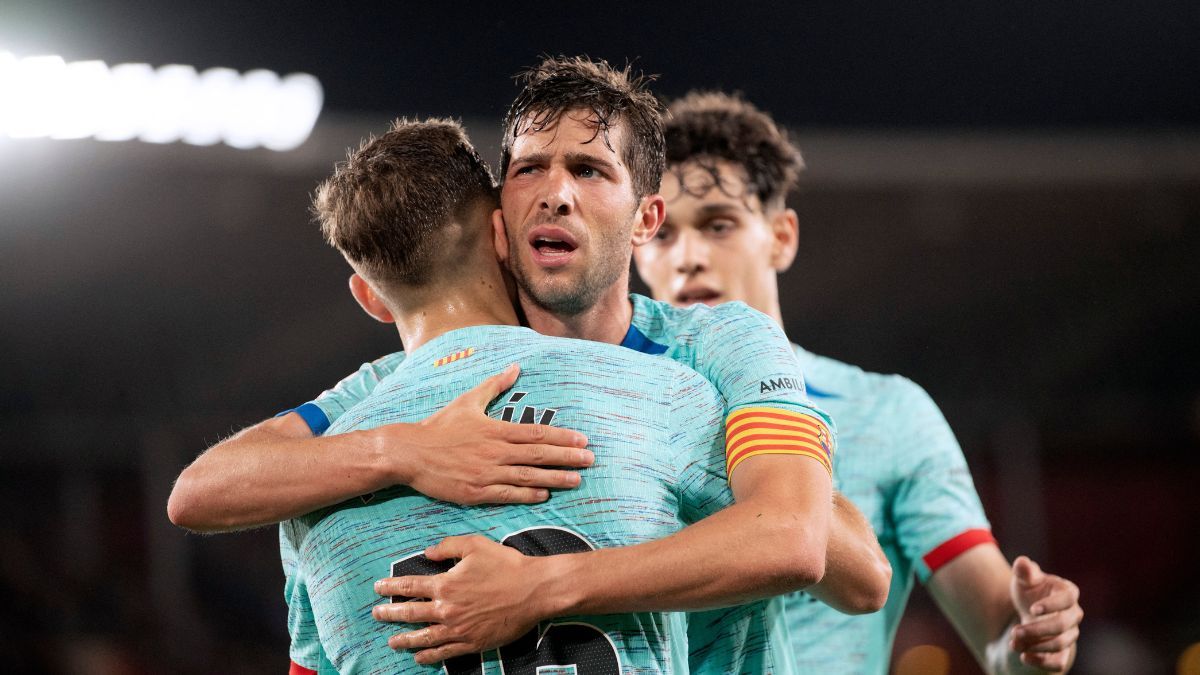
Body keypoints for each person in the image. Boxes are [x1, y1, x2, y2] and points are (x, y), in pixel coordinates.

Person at [168, 57, 890, 672]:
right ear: (499, 221)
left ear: (646, 220)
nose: (557, 190)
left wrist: (542, 586)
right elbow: (201, 489)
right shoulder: (412, 389)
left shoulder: (711, 351)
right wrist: (405, 450)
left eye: (589, 168)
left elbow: (826, 555)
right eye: (529, 169)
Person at [285, 116, 760, 673]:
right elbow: (784, 544)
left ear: (369, 296)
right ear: (499, 236)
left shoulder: (307, 485)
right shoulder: (660, 393)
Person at [631, 91, 1083, 674]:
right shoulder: (602, 408)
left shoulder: (888, 413)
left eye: (720, 224)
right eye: (663, 234)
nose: (688, 256)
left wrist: (1035, 636)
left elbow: (1000, 642)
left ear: (781, 236)